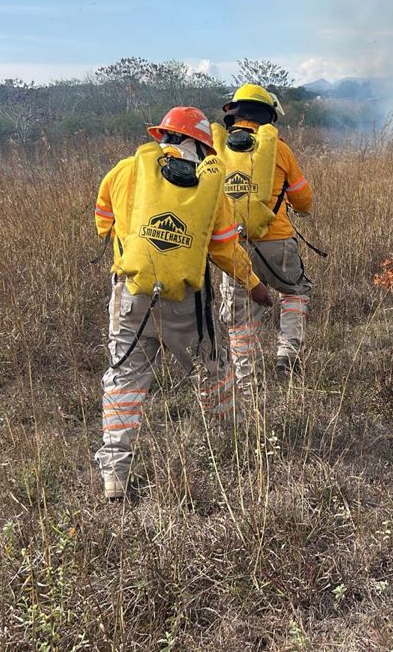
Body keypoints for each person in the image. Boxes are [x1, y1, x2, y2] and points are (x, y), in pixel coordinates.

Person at [92, 106, 271, 501]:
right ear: (203, 147)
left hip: (129, 295)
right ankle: (237, 446)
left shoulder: (124, 171)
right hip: (184, 303)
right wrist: (255, 284)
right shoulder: (209, 186)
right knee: (212, 369)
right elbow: (224, 249)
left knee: (124, 380)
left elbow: (102, 221)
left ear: (163, 137)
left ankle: (115, 477)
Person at [215, 83, 316, 387]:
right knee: (295, 290)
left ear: (235, 114)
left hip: (233, 249)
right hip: (277, 242)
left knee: (240, 317)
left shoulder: (216, 149)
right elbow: (304, 199)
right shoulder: (279, 149)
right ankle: (287, 351)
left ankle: (247, 383)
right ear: (267, 115)